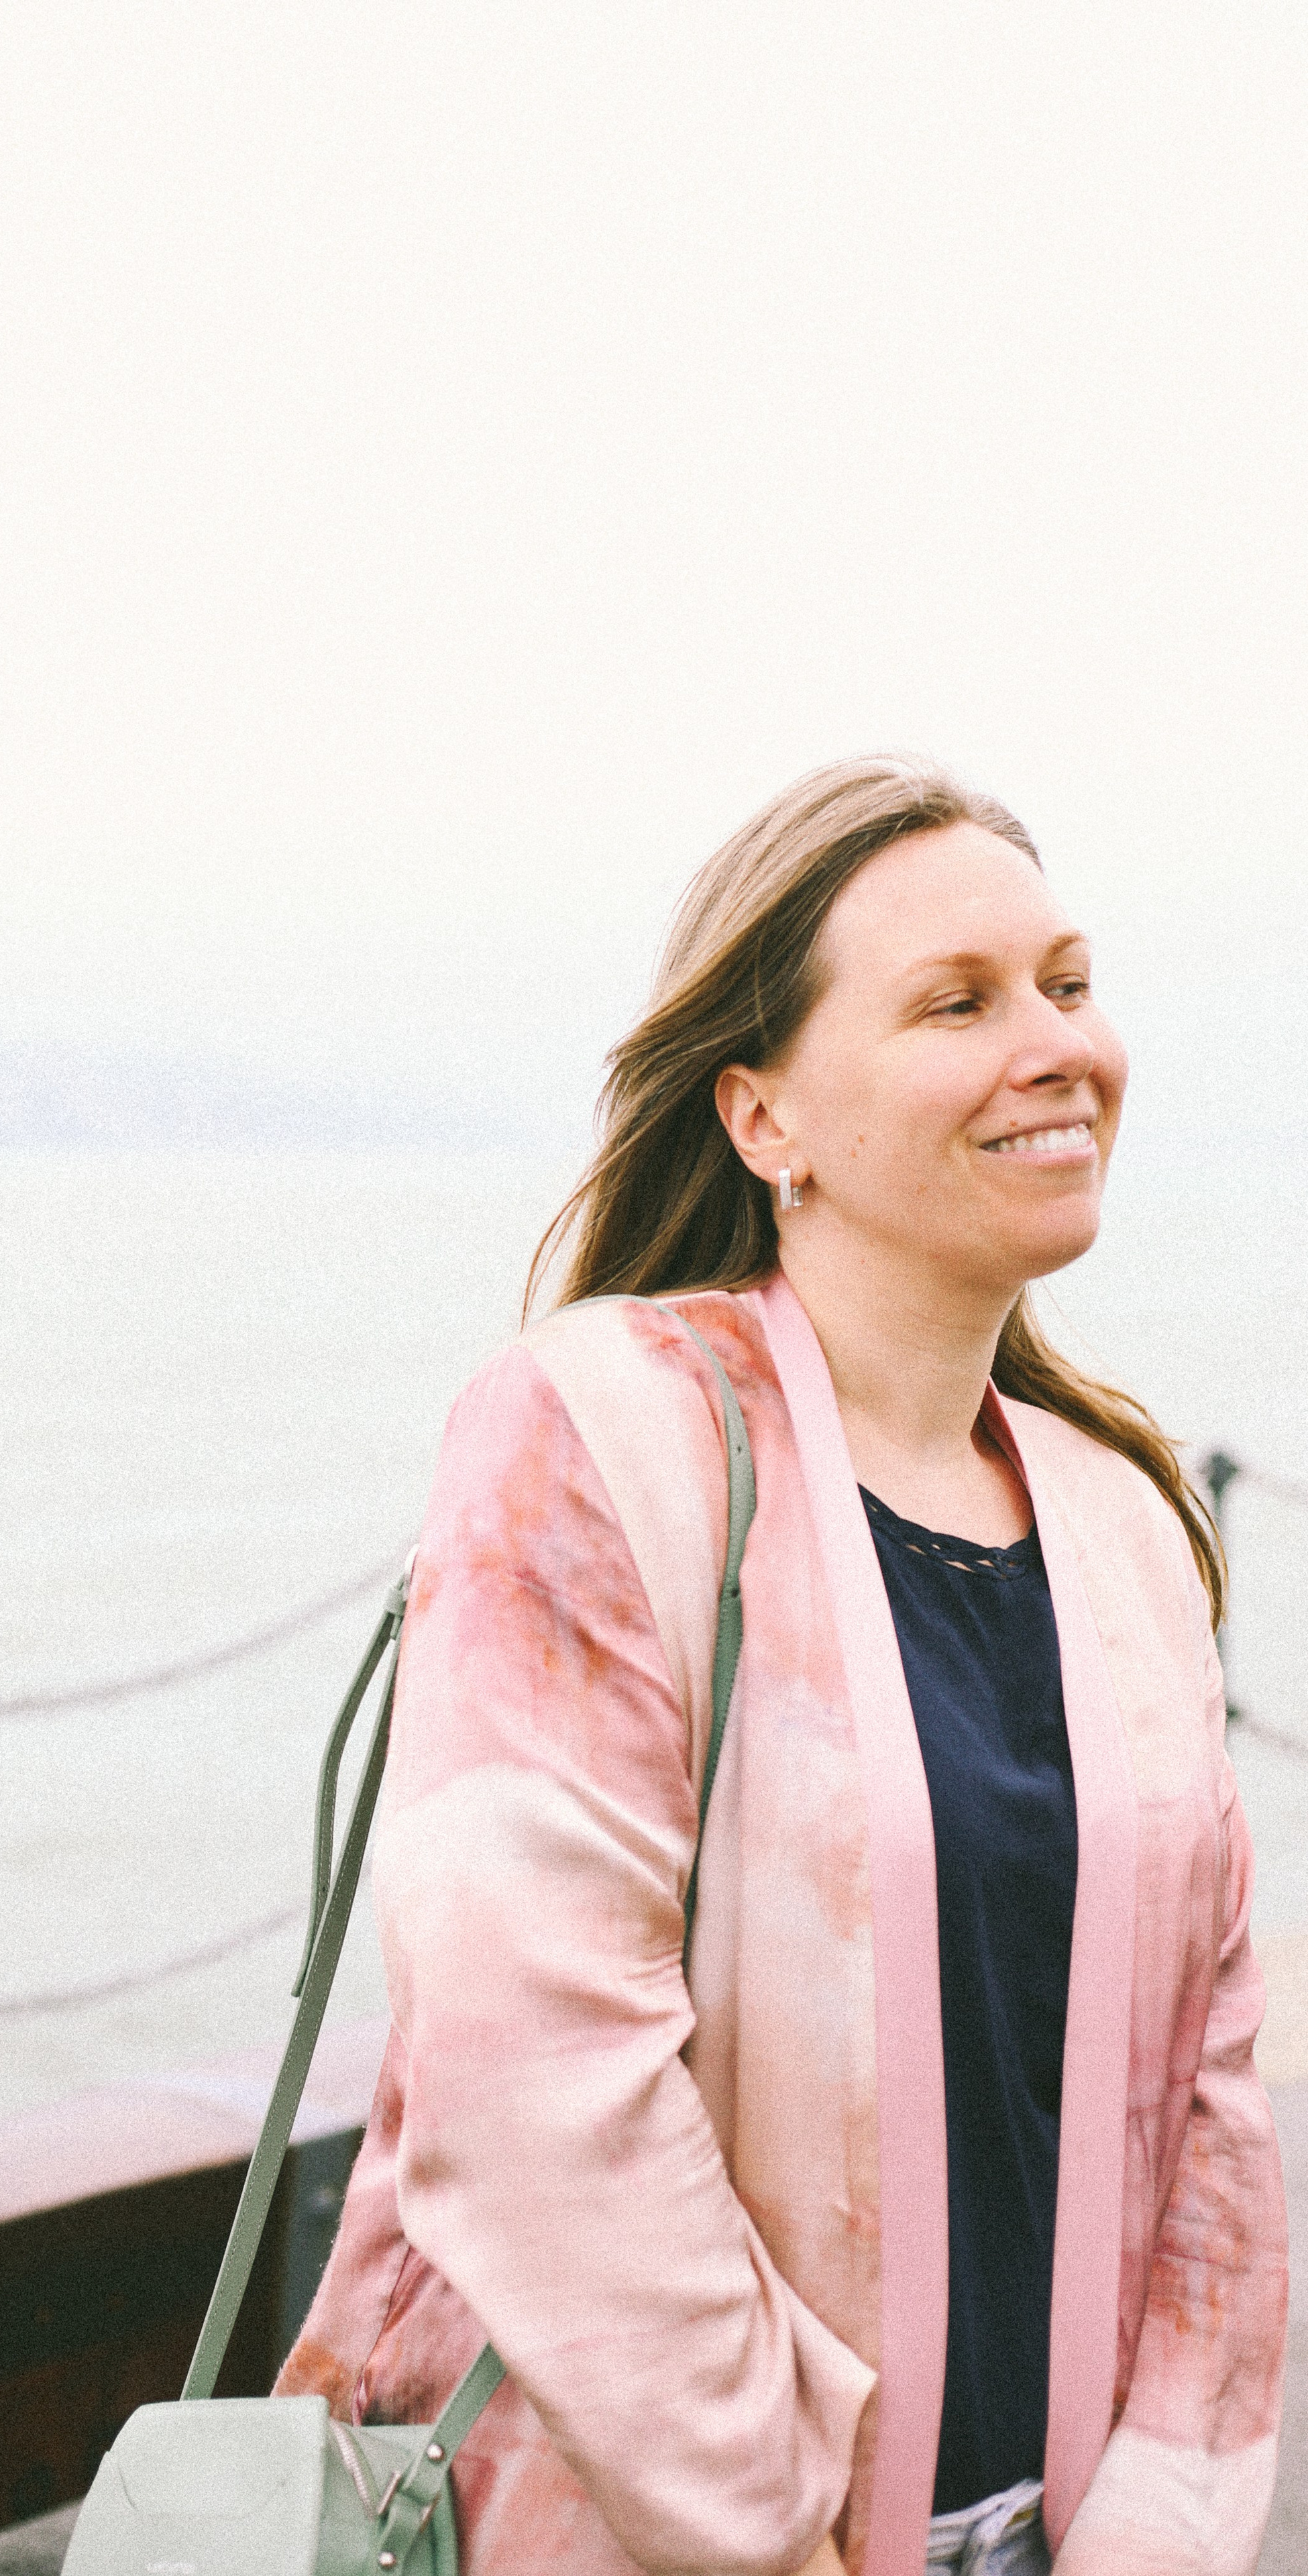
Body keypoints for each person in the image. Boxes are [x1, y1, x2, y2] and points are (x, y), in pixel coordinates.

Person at [277, 756, 1287, 2574]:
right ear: (763, 1117)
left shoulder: (1122, 1520)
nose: (1056, 1044)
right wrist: (784, 2540)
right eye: (957, 1003)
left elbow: (1212, 2092)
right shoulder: (602, 1432)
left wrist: (1160, 2528)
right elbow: (536, 2071)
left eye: (1067, 981)